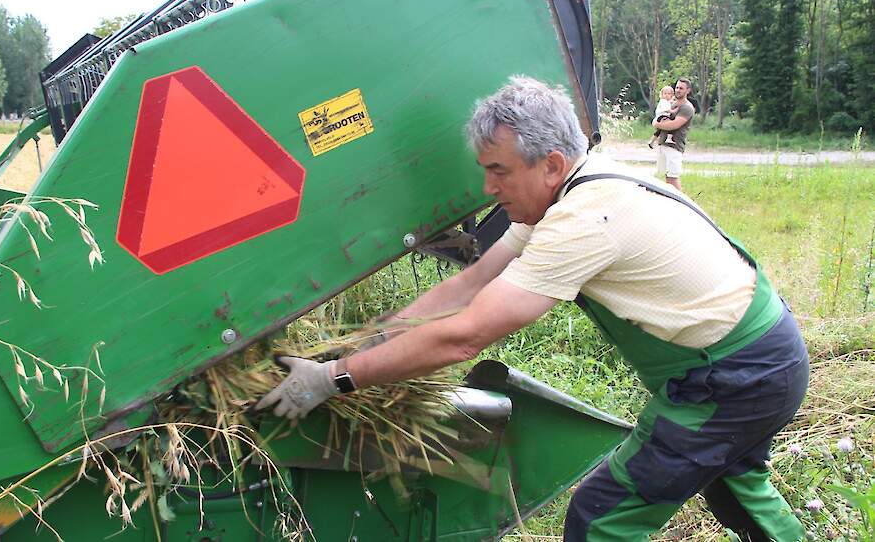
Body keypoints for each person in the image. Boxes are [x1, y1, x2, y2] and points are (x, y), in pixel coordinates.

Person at [256, 76, 808, 541]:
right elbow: (470, 285)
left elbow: (465, 336)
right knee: (739, 489)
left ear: (550, 163)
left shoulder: (585, 220)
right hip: (759, 358)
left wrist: (334, 378)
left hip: (735, 379)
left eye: (499, 170)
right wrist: (374, 338)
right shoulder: (572, 190)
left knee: (601, 518)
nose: (487, 186)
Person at [652, 78, 694, 192]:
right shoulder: (670, 103)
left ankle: (682, 204)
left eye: (681, 88)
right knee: (666, 176)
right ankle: (670, 202)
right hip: (663, 143)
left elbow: (674, 125)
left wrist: (656, 123)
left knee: (673, 177)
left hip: (675, 145)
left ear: (688, 90)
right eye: (676, 87)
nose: (678, 90)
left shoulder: (687, 108)